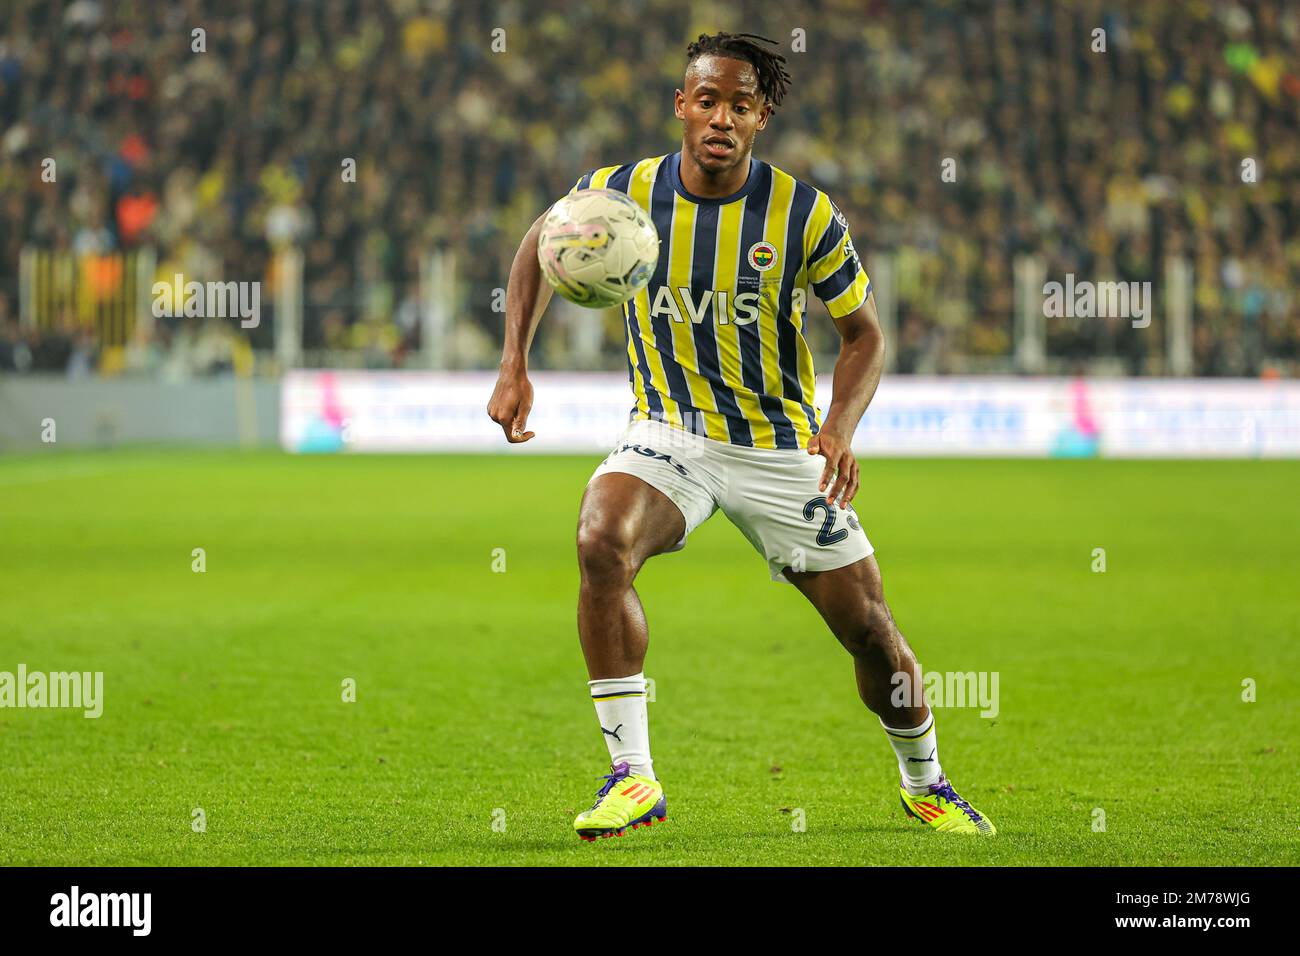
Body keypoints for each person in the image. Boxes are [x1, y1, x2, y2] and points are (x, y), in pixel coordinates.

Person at [487, 32, 995, 839]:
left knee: (870, 630)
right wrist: (514, 360)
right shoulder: (617, 193)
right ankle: (633, 776)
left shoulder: (803, 213)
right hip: (668, 434)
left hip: (779, 448)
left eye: (742, 105)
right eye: (709, 99)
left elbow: (864, 335)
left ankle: (925, 780)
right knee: (599, 540)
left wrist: (837, 428)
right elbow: (535, 247)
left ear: (762, 119)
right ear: (682, 105)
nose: (722, 117)